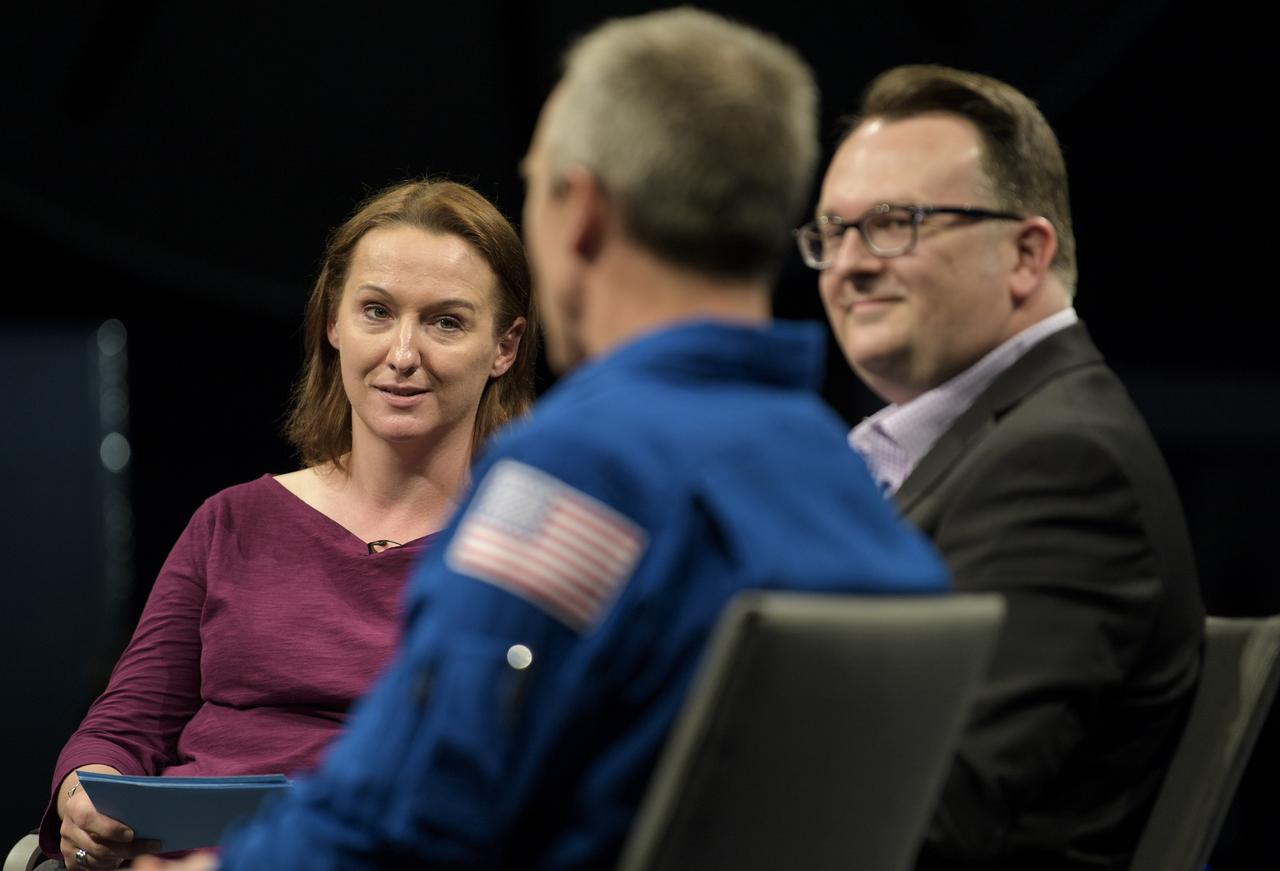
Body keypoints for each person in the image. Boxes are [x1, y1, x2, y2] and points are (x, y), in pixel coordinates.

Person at [136, 9, 948, 871]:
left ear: (582, 211)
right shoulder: (845, 480)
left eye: (536, 183)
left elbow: (414, 812)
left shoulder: (579, 473)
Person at [38, 179, 536, 870]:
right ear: (333, 322)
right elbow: (126, 725)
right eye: (376, 311)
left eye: (445, 321)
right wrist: (87, 791)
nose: (401, 353)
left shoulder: (523, 550)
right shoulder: (233, 520)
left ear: (504, 346)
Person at [799, 64, 1205, 870]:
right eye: (831, 233)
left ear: (1026, 253)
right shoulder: (993, 446)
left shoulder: (1061, 463)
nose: (848, 265)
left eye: (894, 222)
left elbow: (927, 813)